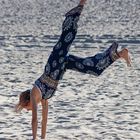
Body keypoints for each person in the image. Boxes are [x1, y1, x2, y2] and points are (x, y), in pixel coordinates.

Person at [15, 0, 131, 139]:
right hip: (63, 66)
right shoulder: (45, 98)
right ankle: (119, 54)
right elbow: (44, 121)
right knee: (94, 68)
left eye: (25, 108)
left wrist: (34, 138)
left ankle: (79, 7)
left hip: (54, 62)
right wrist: (42, 138)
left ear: (27, 102)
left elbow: (35, 120)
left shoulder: (35, 92)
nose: (28, 110)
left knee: (68, 36)